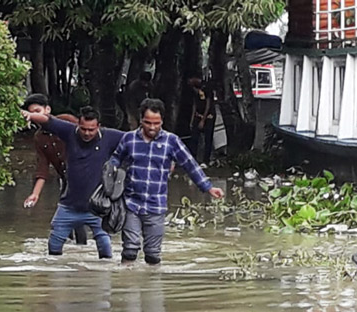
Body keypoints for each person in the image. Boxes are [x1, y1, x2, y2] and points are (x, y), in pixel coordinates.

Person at [110, 98, 224, 265]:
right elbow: (114, 161)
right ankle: (127, 286)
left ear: (162, 120)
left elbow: (190, 165)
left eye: (156, 123)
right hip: (130, 204)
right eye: (148, 122)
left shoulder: (171, 141)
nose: (152, 127)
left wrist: (208, 187)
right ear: (141, 120)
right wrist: (108, 183)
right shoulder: (129, 140)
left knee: (153, 255)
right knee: (129, 250)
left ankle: (153, 286)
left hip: (156, 205)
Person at [22, 106, 126, 259]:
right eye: (83, 129)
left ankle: (103, 278)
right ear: (78, 125)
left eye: (91, 130)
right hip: (68, 206)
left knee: (105, 250)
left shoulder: (110, 137)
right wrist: (30, 115)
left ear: (98, 126)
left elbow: (136, 140)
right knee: (53, 248)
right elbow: (49, 121)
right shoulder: (69, 132)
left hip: (97, 207)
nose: (87, 133)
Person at [21, 93, 88, 246]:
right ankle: (70, 251)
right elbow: (42, 168)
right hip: (66, 178)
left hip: (84, 174)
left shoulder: (66, 121)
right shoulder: (39, 137)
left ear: (48, 110)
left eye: (36, 112)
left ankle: (81, 251)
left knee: (75, 217)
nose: (33, 117)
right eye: (31, 114)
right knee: (65, 219)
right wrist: (35, 194)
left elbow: (88, 135)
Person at [186, 77, 215, 165]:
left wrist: (203, 120)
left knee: (208, 138)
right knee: (194, 137)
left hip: (208, 116)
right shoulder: (194, 90)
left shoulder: (206, 88)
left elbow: (208, 104)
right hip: (198, 115)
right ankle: (193, 157)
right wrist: (192, 119)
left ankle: (206, 159)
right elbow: (194, 105)